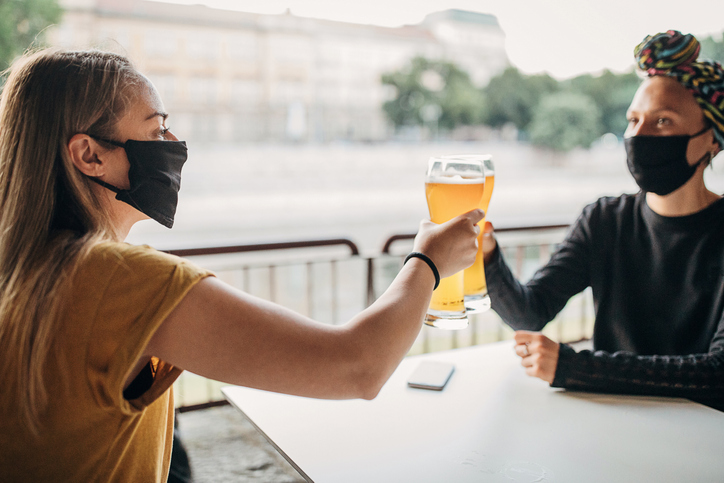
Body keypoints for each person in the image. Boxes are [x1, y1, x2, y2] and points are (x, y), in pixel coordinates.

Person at [0, 49, 483, 482]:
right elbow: (357, 366)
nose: (174, 142)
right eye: (156, 129)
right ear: (89, 155)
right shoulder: (116, 280)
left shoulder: (26, 266)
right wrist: (429, 261)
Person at [482, 30, 724, 408]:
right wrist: (486, 255)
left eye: (662, 122)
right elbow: (529, 312)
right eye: (633, 120)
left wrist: (575, 368)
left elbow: (717, 375)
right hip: (613, 425)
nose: (639, 136)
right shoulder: (603, 221)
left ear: (712, 138)